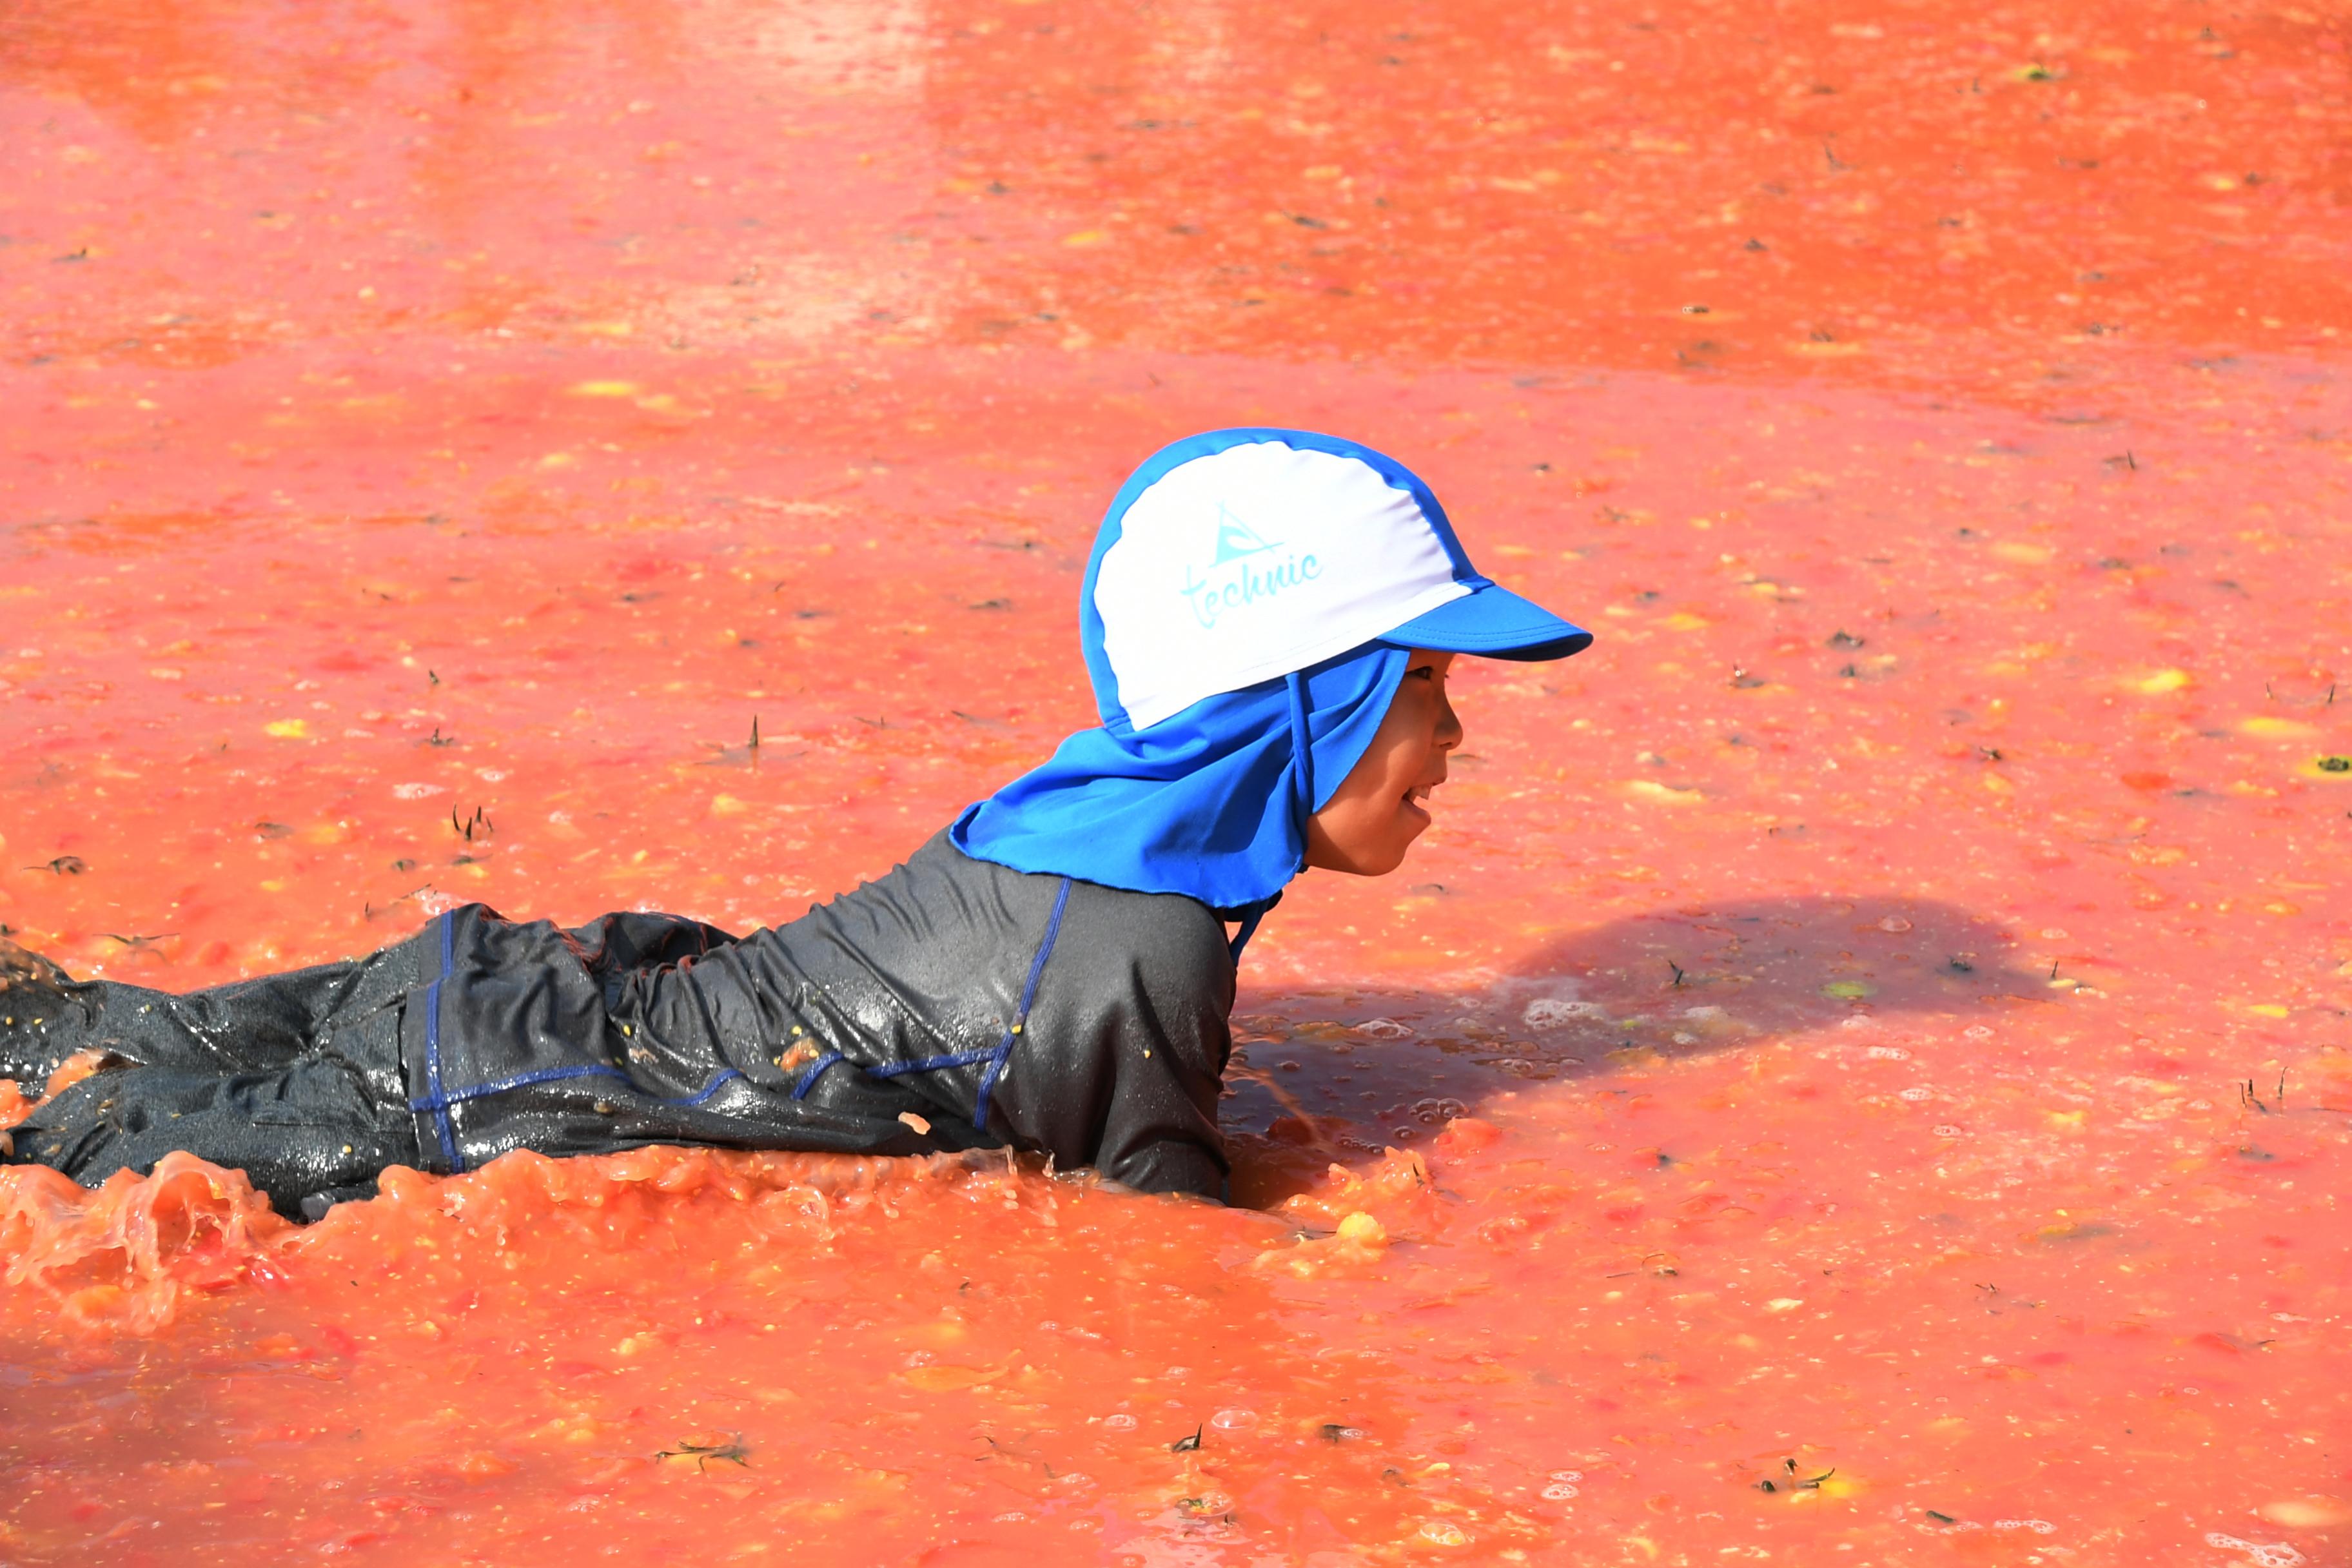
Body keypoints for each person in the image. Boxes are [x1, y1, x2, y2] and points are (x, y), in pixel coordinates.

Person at [0, 429, 1590, 1219]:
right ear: (1297, 705)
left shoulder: (1078, 826)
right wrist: (1386, 1220)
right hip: (492, 1111)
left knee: (67, 1040)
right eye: (1425, 684)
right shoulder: (1147, 941)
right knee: (63, 1170)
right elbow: (1167, 1254)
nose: (1448, 739)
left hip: (522, 1004)